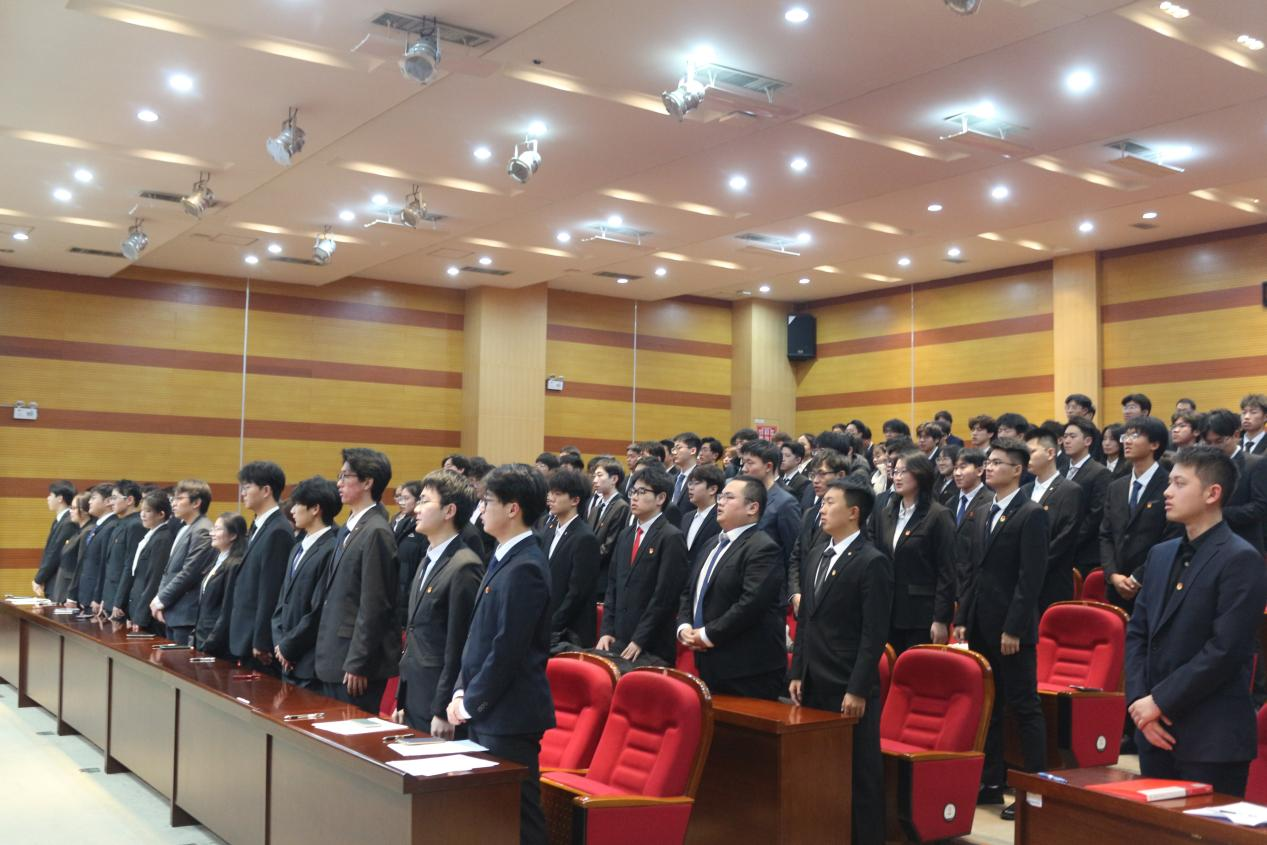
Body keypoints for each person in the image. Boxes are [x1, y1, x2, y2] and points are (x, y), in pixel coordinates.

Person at [1126, 446, 1267, 797]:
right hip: (1153, 730)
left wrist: (1159, 702)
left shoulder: (1241, 558)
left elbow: (1225, 650)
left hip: (1211, 737)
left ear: (1212, 493)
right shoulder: (1160, 554)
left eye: (1179, 483)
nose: (1166, 492)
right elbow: (1138, 633)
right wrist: (1140, 704)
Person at [447, 464, 555, 845]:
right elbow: (477, 637)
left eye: (487, 501)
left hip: (509, 715)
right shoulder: (503, 556)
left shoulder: (526, 566)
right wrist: (461, 690)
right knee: (490, 816)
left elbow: (507, 649)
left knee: (518, 818)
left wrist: (471, 701)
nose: (480, 510)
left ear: (513, 508)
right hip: (488, 709)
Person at [790, 476, 891, 845]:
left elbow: (873, 633)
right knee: (820, 768)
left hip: (848, 683)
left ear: (853, 512)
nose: (822, 509)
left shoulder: (872, 561)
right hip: (813, 679)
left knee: (860, 772)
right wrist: (797, 671)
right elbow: (807, 619)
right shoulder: (818, 552)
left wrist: (858, 688)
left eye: (830, 502)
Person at [954, 437, 1048, 821]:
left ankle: (1035, 791)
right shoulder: (982, 510)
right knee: (988, 707)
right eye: (988, 461)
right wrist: (962, 618)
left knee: (1024, 706)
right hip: (980, 623)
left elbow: (1031, 578)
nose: (989, 467)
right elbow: (972, 572)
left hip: (1012, 629)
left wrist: (1015, 627)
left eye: (997, 462)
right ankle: (991, 781)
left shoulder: (1031, 513)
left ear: (1017, 470)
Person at [677, 476, 787, 699]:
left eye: (729, 497)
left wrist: (707, 634)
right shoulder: (712, 543)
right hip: (708, 659)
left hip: (747, 669)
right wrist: (685, 626)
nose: (720, 502)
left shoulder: (763, 548)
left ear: (752, 508)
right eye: (720, 497)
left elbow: (751, 604)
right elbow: (689, 591)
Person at [396, 471, 483, 736]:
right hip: (414, 696)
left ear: (449, 511)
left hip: (437, 702)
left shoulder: (464, 566)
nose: (416, 509)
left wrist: (443, 709)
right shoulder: (427, 559)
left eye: (424, 501)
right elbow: (415, 636)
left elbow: (458, 646)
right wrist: (401, 699)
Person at [315, 447, 401, 711]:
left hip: (354, 666)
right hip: (333, 655)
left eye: (346, 476)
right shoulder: (349, 528)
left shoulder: (376, 532)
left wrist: (358, 663)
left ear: (367, 482)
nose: (338, 484)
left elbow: (374, 604)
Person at [598, 466, 688, 665]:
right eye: (633, 491)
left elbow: (665, 596)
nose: (634, 497)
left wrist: (640, 639)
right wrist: (606, 631)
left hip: (651, 644)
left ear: (660, 498)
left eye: (641, 492)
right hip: (618, 638)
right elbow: (613, 586)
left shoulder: (671, 537)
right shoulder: (626, 534)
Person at [868, 451, 956, 652]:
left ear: (920, 474)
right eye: (895, 472)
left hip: (921, 615)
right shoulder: (886, 513)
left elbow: (947, 572)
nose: (897, 477)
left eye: (903, 472)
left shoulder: (938, 515)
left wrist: (941, 619)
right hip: (888, 610)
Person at [1099, 416, 1180, 612]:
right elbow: (1106, 535)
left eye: (1135, 435)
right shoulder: (1116, 486)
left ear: (1154, 444)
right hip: (1116, 586)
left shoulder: (1170, 485)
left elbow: (1171, 538)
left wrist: (1138, 578)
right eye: (1125, 436)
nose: (1127, 441)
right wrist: (1113, 575)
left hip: (1154, 584)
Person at [271, 476, 341, 687]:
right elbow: (282, 600)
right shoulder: (297, 547)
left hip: (308, 660)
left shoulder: (332, 548)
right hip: (285, 658)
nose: (292, 510)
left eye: (297, 504)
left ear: (315, 509)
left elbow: (318, 610)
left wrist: (289, 647)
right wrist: (280, 644)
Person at [224, 461, 294, 669]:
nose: (242, 493)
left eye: (247, 487)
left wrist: (261, 640)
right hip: (244, 634)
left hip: (257, 640)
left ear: (266, 491)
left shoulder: (278, 530)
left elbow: (271, 590)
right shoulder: (259, 525)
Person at [1021, 428, 1083, 611]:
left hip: (1052, 580)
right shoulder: (1024, 490)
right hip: (1022, 580)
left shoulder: (1070, 490)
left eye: (1031, 452)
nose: (1026, 458)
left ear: (1050, 453)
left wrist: (1032, 566)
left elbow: (1065, 537)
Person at [540, 468, 600, 647]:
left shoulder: (585, 538)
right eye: (550, 492)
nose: (550, 498)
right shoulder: (549, 529)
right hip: (546, 623)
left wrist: (552, 626)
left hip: (569, 632)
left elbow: (577, 593)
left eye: (557, 494)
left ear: (575, 500)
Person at [151, 480, 215, 644]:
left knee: (180, 659)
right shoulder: (185, 528)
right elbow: (169, 570)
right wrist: (160, 599)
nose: (173, 503)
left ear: (196, 503)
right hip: (173, 610)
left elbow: (190, 572)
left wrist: (161, 600)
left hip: (186, 614)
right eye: (174, 499)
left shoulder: (202, 530)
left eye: (179, 499)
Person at [1202, 409, 1267, 555]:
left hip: (1243, 542)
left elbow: (1260, 507)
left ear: (1236, 435)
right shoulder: (1204, 465)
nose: (1214, 447)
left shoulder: (1255, 464)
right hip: (1209, 542)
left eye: (1219, 441)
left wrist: (1219, 513)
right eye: (1208, 443)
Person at [113, 490, 175, 625]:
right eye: (141, 510)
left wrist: (140, 617)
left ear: (161, 514)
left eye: (148, 511)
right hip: (136, 606)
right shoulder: (152, 535)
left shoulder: (162, 539)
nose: (142, 515)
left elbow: (154, 580)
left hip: (146, 613)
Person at [195, 513, 248, 655]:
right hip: (202, 635)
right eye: (213, 528)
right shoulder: (218, 558)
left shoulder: (234, 564)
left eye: (217, 529)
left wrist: (211, 642)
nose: (211, 533)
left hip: (216, 642)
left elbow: (227, 609)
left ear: (233, 535)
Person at [99, 480, 146, 620]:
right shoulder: (119, 523)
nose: (110, 503)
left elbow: (130, 565)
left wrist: (118, 602)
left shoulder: (136, 525)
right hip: (110, 596)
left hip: (121, 602)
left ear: (129, 500)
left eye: (114, 498)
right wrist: (105, 598)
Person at [587, 459, 629, 602]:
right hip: (591, 574)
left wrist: (586, 560)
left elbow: (610, 545)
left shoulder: (621, 507)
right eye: (594, 476)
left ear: (614, 479)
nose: (595, 480)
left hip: (604, 577)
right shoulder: (596, 507)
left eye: (599, 475)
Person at [33, 480, 77, 598]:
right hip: (53, 581)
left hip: (59, 582)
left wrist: (39, 578)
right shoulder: (59, 521)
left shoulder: (69, 522)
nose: (47, 498)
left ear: (60, 498)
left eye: (50, 495)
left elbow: (55, 553)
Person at [50, 494, 90, 605]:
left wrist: (72, 596)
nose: (70, 511)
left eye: (73, 508)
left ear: (85, 510)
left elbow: (80, 565)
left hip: (70, 587)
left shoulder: (87, 532)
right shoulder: (79, 531)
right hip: (63, 585)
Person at [681, 463, 723, 567]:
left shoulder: (720, 518)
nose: (690, 488)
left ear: (713, 489)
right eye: (690, 483)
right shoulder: (687, 517)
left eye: (696, 483)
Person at [669, 432, 701, 512]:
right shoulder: (672, 479)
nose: (674, 452)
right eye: (674, 449)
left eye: (679, 448)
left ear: (693, 450)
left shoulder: (701, 477)